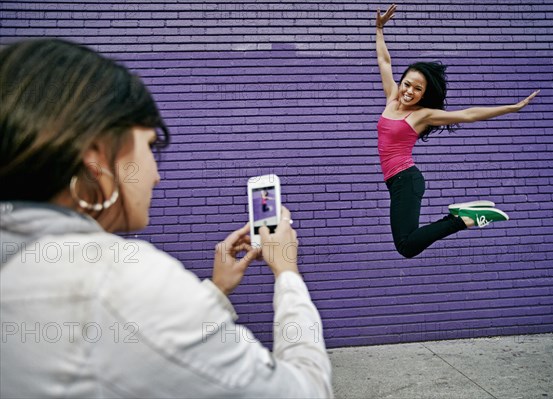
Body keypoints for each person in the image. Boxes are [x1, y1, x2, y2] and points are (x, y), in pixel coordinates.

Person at [0, 38, 332, 398]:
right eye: (149, 145)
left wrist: (215, 291)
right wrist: (287, 274)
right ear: (97, 157)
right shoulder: (120, 280)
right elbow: (305, 391)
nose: (156, 174)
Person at [375, 4, 539, 258]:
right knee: (406, 244)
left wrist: (511, 108)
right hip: (396, 182)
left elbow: (467, 114)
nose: (409, 91)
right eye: (407, 84)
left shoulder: (421, 115)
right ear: (402, 81)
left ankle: (463, 220)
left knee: (406, 246)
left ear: (424, 94)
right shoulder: (392, 98)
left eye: (418, 89)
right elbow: (385, 61)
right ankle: (462, 218)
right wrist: (379, 28)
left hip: (406, 180)